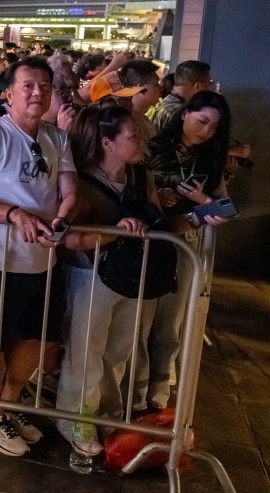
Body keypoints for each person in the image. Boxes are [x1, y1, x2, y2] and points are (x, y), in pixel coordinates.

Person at [0, 56, 77, 457]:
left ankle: (7, 403)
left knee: (36, 336)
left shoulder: (57, 138)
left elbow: (69, 189)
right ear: (7, 92)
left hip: (44, 259)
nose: (37, 92)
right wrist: (14, 214)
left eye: (45, 85)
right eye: (28, 85)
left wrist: (61, 218)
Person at [56, 105, 189, 457]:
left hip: (134, 275)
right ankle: (75, 421)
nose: (141, 142)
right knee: (86, 353)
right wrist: (114, 233)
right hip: (91, 274)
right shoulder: (80, 182)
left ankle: (107, 415)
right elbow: (70, 239)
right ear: (107, 143)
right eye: (133, 136)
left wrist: (194, 217)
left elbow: (156, 218)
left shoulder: (139, 175)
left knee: (117, 351)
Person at [141, 90, 232, 412]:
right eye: (201, 121)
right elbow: (134, 188)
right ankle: (136, 390)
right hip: (147, 239)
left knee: (169, 322)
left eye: (213, 127)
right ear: (184, 114)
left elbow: (225, 207)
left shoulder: (210, 159)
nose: (205, 130)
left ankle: (159, 388)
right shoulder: (152, 148)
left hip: (185, 244)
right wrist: (157, 195)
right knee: (140, 320)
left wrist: (201, 203)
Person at [149, 60, 212, 134]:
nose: (209, 87)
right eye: (209, 82)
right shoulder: (178, 112)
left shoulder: (169, 102)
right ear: (197, 86)